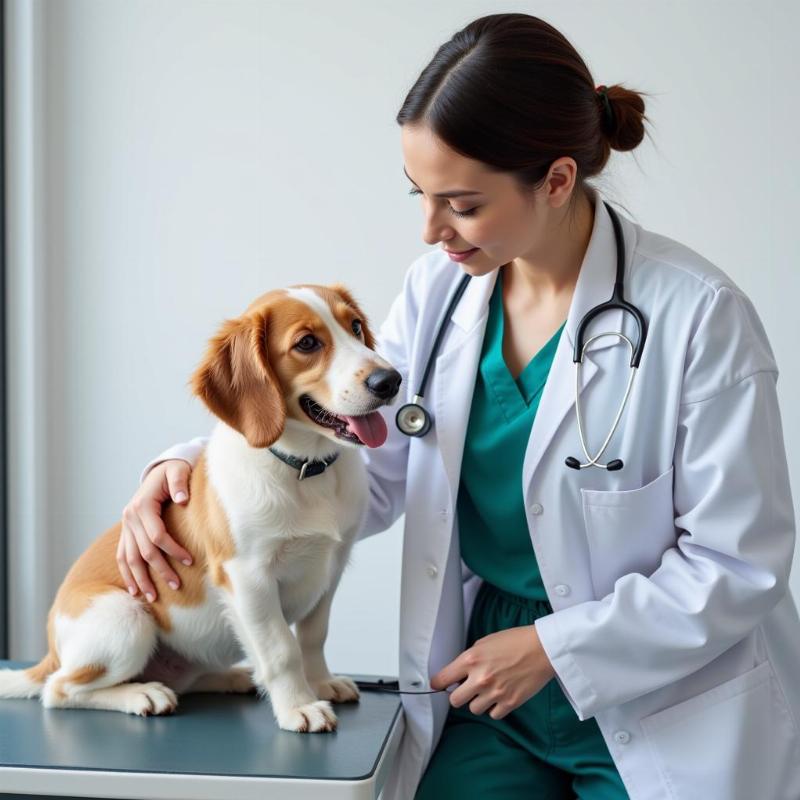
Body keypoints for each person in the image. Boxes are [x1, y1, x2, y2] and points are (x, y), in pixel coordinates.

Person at [117, 12, 800, 800]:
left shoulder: (699, 315)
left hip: (662, 693)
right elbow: (361, 479)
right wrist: (190, 472)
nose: (431, 229)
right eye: (421, 194)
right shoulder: (440, 292)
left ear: (556, 180)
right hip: (488, 687)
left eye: (463, 204)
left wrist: (554, 648)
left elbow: (736, 563)